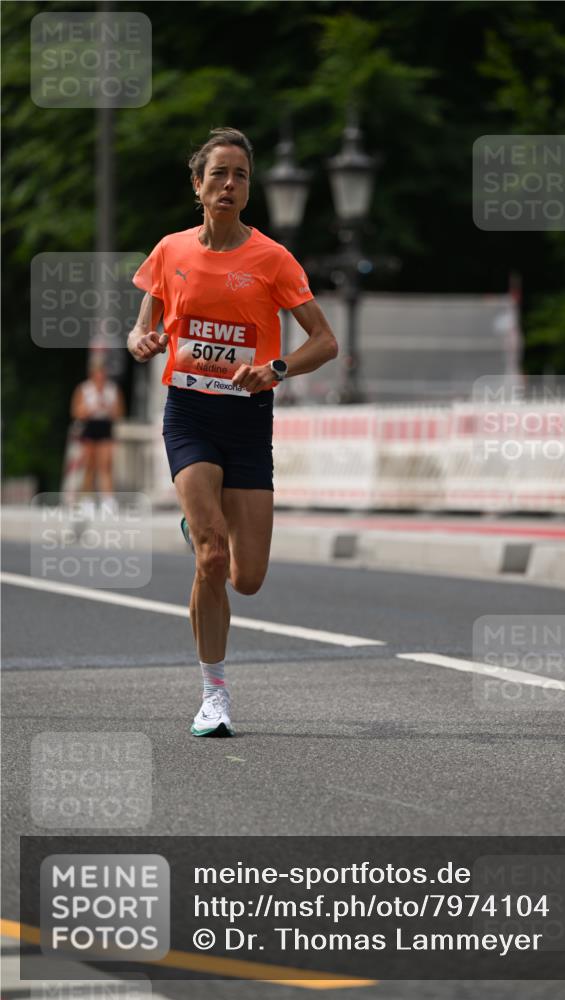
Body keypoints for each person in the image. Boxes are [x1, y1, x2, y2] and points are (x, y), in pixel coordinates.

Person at [127, 127, 338, 738]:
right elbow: (141, 327)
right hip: (188, 414)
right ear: (197, 186)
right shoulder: (169, 251)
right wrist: (141, 341)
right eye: (218, 173)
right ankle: (213, 694)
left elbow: (325, 342)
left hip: (247, 421)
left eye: (240, 175)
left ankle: (201, 530)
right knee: (213, 556)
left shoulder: (273, 259)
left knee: (247, 578)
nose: (228, 184)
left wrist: (276, 368)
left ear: (249, 190)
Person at [69, 356, 124, 505]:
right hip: (89, 426)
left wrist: (108, 408)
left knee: (105, 464)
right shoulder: (84, 389)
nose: (100, 375)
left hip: (105, 426)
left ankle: (108, 498)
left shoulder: (112, 389)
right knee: (89, 465)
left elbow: (119, 413)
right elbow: (75, 412)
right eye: (97, 372)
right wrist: (89, 409)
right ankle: (86, 499)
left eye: (102, 372)